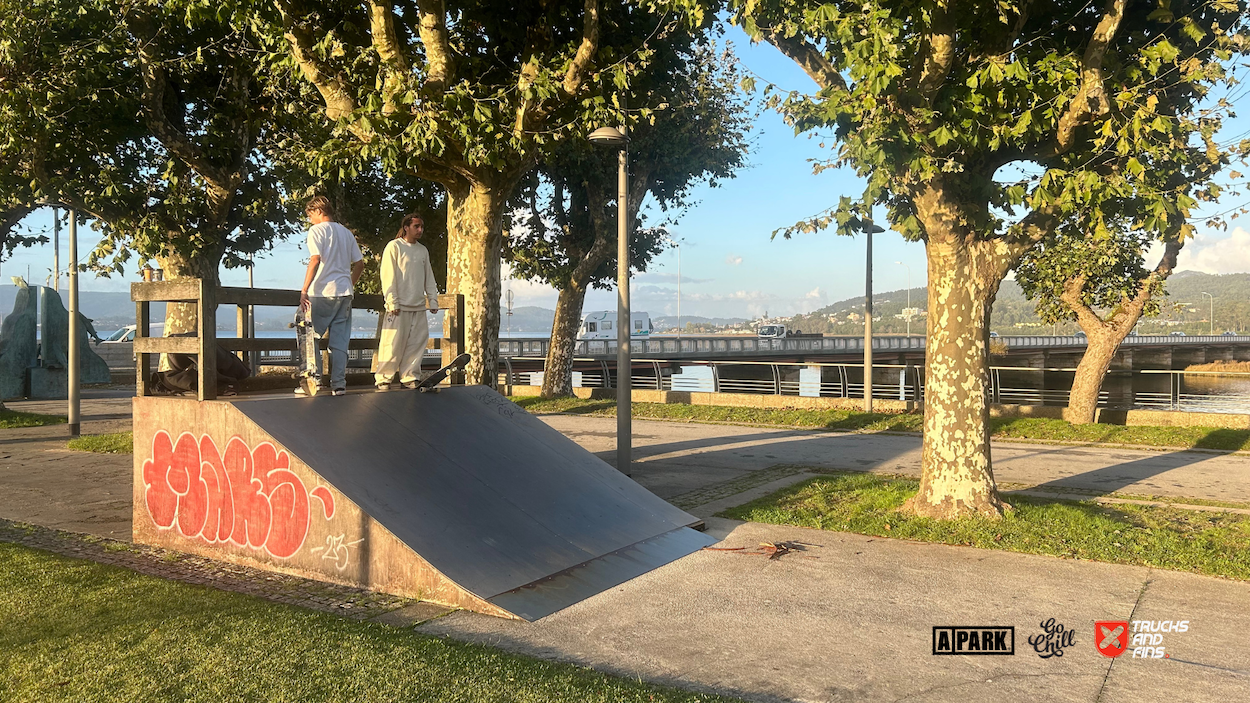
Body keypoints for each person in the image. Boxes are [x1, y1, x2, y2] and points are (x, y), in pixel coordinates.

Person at [299, 196, 364, 396]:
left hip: (321, 292)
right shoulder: (346, 233)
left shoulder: (316, 231)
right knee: (340, 341)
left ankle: (314, 381)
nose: (310, 220)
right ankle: (339, 384)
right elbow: (360, 264)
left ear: (318, 211)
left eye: (310, 215)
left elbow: (315, 259)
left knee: (311, 337)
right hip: (344, 292)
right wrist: (349, 284)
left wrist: (304, 290)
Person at [375, 213, 440, 390]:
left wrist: (433, 300)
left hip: (418, 305)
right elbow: (388, 276)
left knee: (417, 343)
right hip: (399, 306)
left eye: (421, 227)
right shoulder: (394, 247)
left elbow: (429, 276)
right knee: (392, 342)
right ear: (406, 227)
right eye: (416, 226)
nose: (420, 230)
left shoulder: (422, 250)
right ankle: (384, 378)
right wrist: (392, 301)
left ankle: (409, 376)